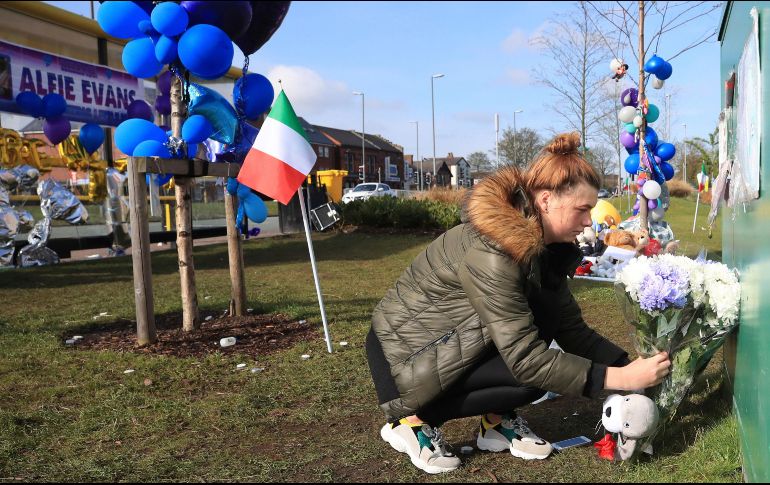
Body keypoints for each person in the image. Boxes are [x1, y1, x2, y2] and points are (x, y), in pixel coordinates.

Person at [365, 132, 671, 474]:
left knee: (547, 320)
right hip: (405, 355)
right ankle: (410, 421)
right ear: (545, 200)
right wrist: (619, 378)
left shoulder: (546, 249)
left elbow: (571, 329)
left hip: (454, 342)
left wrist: (631, 367)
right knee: (535, 374)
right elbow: (526, 360)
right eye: (582, 209)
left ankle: (496, 423)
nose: (589, 221)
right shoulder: (494, 250)